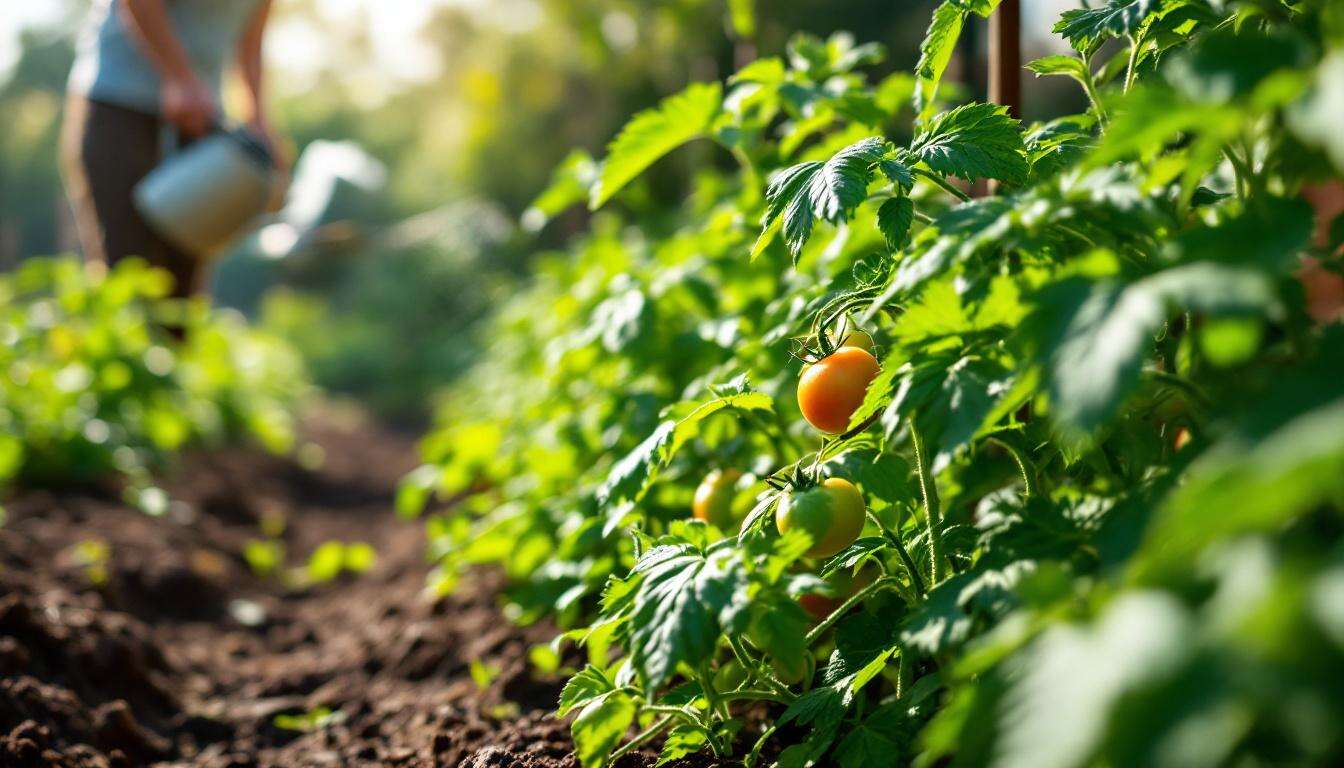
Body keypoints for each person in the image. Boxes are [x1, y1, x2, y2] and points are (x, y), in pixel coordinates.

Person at [61, 0, 285, 299]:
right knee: (129, 265)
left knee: (186, 273)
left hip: (201, 118)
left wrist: (258, 119)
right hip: (120, 103)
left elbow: (251, 36)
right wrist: (178, 77)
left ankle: (174, 343)